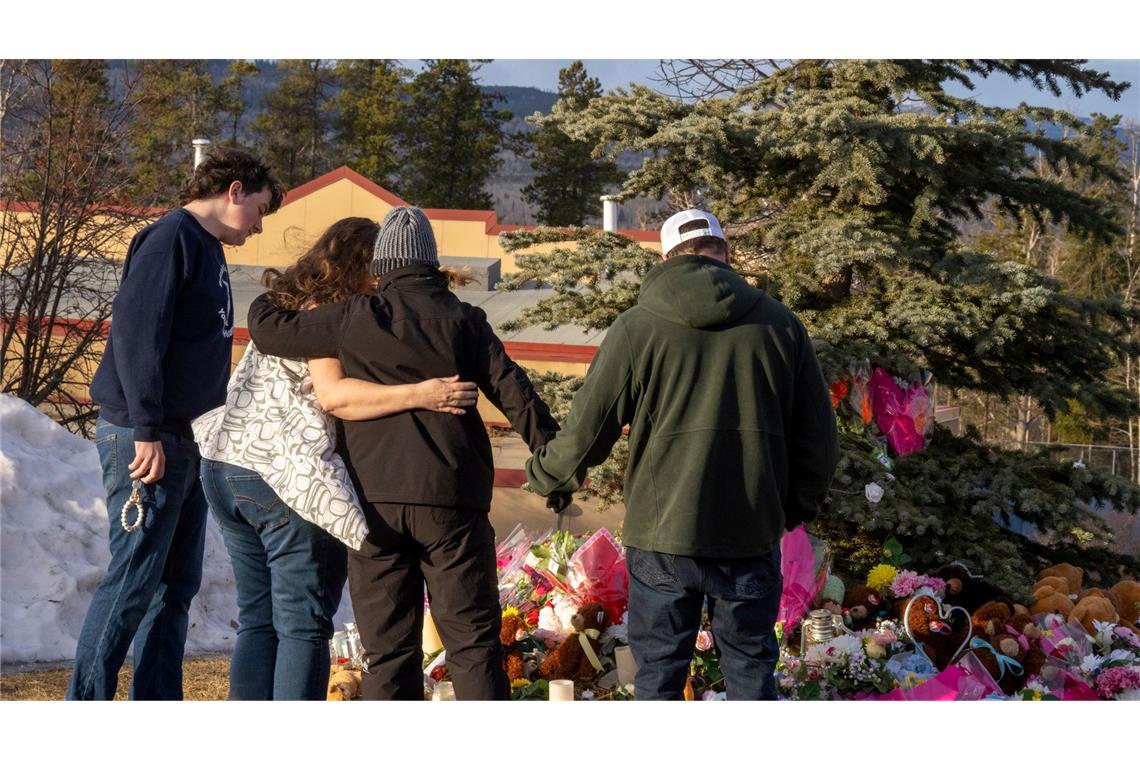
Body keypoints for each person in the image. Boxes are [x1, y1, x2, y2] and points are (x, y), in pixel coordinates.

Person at [247, 205, 561, 700]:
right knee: (474, 645)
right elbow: (517, 394)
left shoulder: (353, 318)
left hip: (376, 504)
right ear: (431, 262)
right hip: (454, 502)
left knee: (387, 652)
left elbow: (266, 328)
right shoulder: (465, 320)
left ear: (382, 266)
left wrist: (290, 282)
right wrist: (556, 467)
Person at [526, 208, 839, 700]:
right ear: (725, 254)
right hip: (749, 531)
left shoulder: (638, 327)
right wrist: (794, 508)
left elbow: (590, 429)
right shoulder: (781, 326)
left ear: (667, 258)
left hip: (663, 534)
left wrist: (548, 475)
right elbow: (817, 438)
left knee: (658, 674)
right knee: (751, 669)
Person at [192, 217, 480, 700]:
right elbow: (334, 396)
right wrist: (421, 393)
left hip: (225, 463)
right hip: (283, 474)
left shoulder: (286, 303)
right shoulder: (332, 311)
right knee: (302, 625)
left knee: (259, 621)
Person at [69, 148, 285, 700]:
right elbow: (137, 335)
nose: (260, 226)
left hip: (187, 438)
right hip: (147, 436)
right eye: (259, 210)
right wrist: (146, 428)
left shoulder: (207, 249)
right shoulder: (169, 239)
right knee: (134, 578)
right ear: (234, 190)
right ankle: (83, 705)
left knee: (175, 586)